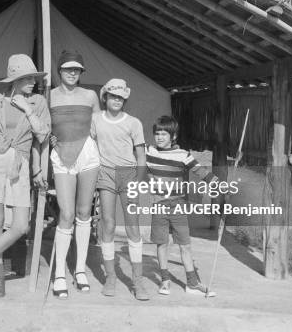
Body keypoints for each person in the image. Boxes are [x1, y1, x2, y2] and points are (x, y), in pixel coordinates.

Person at [0, 54, 50, 298]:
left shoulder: (37, 102)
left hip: (20, 161)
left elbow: (43, 134)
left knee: (20, 225)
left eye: (34, 78)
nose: (33, 83)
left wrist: (27, 109)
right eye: (27, 78)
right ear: (14, 80)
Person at [146, 115, 218, 297]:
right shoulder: (148, 152)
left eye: (164, 134)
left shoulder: (183, 155)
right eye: (157, 133)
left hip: (178, 205)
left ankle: (192, 283)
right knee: (162, 243)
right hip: (158, 204)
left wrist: (219, 184)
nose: (160, 137)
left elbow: (201, 172)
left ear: (173, 136)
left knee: (185, 244)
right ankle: (164, 281)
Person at [91, 79, 149, 301]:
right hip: (105, 173)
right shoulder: (96, 120)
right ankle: (111, 277)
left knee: (133, 225)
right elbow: (89, 145)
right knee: (108, 223)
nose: (116, 100)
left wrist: (141, 180)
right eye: (113, 96)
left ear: (125, 100)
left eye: (121, 97)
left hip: (129, 174)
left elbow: (140, 154)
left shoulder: (133, 122)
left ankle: (137, 280)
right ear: (105, 97)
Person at [49, 51, 100, 299]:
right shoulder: (50, 96)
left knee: (83, 212)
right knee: (66, 213)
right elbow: (44, 129)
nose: (72, 73)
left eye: (77, 69)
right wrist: (49, 140)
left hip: (88, 154)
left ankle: (79, 270)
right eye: (68, 69)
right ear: (59, 71)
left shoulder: (90, 96)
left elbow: (99, 127)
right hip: (61, 155)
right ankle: (60, 273)